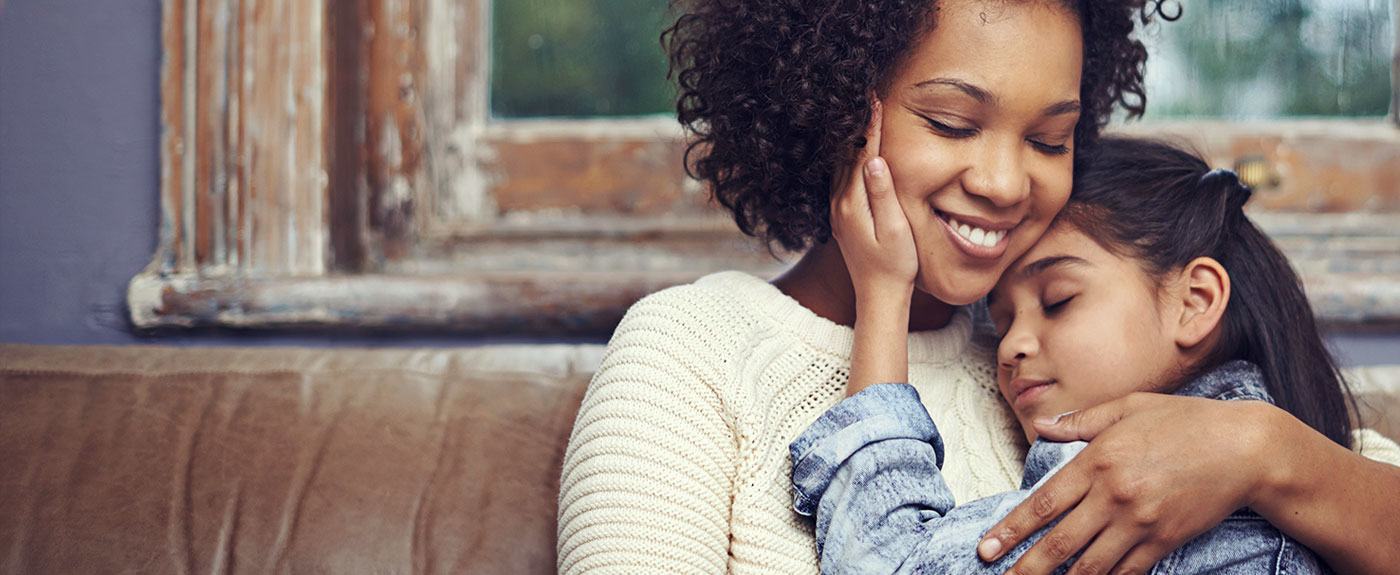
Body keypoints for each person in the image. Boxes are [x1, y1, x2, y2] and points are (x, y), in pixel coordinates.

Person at [556, 1, 1400, 573]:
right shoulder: (693, 347)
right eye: (953, 123)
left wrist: (1260, 451)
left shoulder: (1086, 350)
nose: (1004, 181)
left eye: (1049, 138)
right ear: (834, 104)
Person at [790, 137, 1351, 574]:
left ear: (1195, 301)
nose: (1010, 346)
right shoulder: (1308, 476)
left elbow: (881, 561)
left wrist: (885, 292)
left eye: (1058, 301)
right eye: (1000, 320)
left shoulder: (1150, 488)